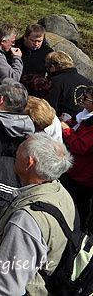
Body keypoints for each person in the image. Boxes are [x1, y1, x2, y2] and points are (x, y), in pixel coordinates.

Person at [0, 134, 74, 296]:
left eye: (19, 151)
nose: (15, 153)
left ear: (29, 162)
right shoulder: (59, 193)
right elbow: (39, 237)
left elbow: (3, 290)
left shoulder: (26, 221)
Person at [59, 85, 93, 230]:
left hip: (82, 178)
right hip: (73, 169)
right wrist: (69, 123)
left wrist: (67, 131)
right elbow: (79, 128)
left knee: (73, 209)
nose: (82, 99)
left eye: (86, 98)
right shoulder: (85, 115)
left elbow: (81, 146)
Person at [46, 50, 93, 117]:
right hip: (84, 122)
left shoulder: (55, 81)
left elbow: (49, 106)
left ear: (52, 67)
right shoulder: (88, 82)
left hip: (63, 122)